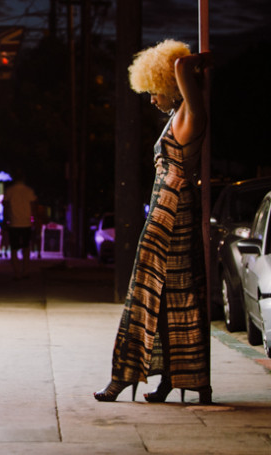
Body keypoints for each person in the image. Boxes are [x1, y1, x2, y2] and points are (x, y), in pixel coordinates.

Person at [95, 40, 211, 404]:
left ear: (169, 86)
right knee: (158, 297)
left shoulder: (193, 114)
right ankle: (165, 379)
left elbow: (181, 69)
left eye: (154, 91)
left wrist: (191, 60)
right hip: (165, 211)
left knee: (169, 295)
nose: (151, 99)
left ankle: (132, 378)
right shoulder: (177, 118)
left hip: (175, 211)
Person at [3, 172, 37, 279]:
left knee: (14, 248)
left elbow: (6, 206)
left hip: (13, 223)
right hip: (26, 222)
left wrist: (5, 220)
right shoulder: (29, 191)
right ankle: (25, 271)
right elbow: (33, 206)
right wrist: (34, 220)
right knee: (26, 248)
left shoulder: (9, 191)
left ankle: (17, 273)